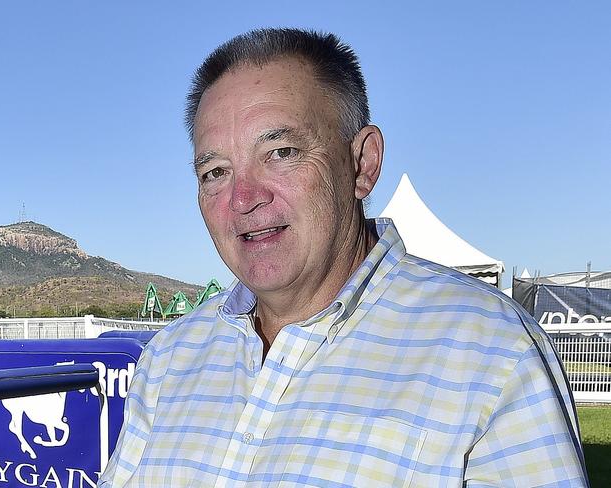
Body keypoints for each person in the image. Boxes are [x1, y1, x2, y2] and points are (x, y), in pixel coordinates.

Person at [98, 28, 588, 487]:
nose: (243, 197)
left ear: (362, 164)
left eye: (281, 152)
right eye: (215, 172)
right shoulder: (168, 360)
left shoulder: (491, 353)